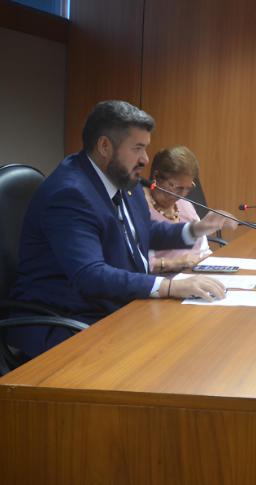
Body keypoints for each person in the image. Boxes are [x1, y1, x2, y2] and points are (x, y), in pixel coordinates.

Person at [8, 100, 236, 359]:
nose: (145, 159)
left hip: (118, 308)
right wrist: (168, 287)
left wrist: (197, 229)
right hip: (69, 320)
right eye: (137, 148)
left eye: (145, 148)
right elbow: (91, 275)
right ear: (105, 146)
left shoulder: (123, 181)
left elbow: (143, 231)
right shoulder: (70, 193)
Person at [145, 146, 212, 273]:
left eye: (188, 188)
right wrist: (175, 263)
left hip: (195, 275)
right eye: (178, 187)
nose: (182, 194)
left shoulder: (185, 205)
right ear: (157, 177)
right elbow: (138, 261)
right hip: (162, 280)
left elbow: (204, 250)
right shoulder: (139, 206)